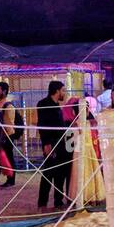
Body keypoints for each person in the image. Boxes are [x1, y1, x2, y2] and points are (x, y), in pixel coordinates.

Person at [36, 80, 73, 210]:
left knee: (60, 173)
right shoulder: (43, 104)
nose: (64, 93)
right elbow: (42, 125)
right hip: (51, 144)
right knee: (48, 174)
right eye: (63, 90)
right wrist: (46, 144)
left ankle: (58, 201)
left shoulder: (57, 105)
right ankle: (42, 203)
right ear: (57, 91)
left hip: (60, 143)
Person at [0, 81, 17, 187]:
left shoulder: (8, 105)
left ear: (4, 91)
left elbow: (10, 123)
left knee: (8, 157)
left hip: (7, 136)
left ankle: (11, 179)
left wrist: (5, 135)